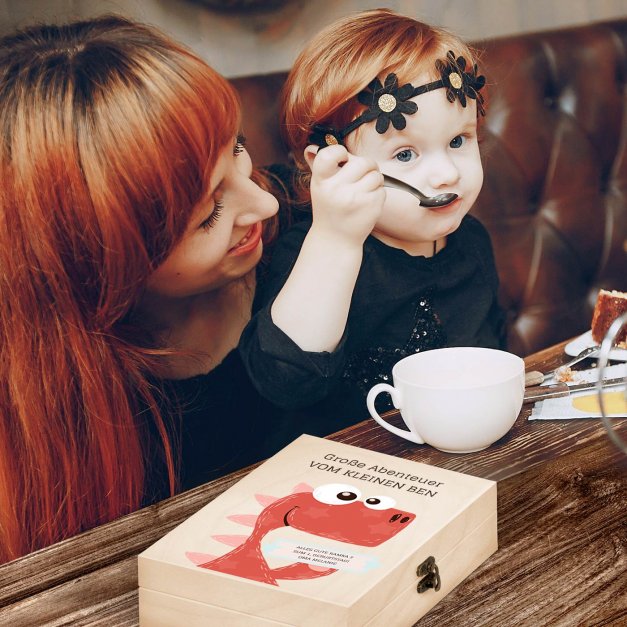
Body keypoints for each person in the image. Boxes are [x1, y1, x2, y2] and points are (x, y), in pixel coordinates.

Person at [0, 15, 286, 562]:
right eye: (209, 214)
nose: (264, 204)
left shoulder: (311, 238)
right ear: (92, 258)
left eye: (239, 148)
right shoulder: (51, 418)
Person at [240, 8, 506, 434]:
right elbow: (284, 383)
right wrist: (335, 240)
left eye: (458, 140)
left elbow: (493, 353)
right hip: (349, 478)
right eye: (405, 154)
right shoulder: (316, 252)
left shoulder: (472, 240)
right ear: (332, 166)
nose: (447, 174)